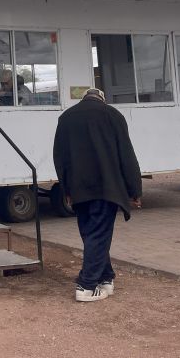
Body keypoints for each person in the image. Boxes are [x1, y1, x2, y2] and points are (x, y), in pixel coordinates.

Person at [53, 87, 142, 303]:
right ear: (102, 99)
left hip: (79, 189)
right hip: (106, 188)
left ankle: (105, 278)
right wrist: (135, 189)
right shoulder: (113, 115)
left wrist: (66, 188)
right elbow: (126, 155)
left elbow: (60, 157)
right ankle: (86, 285)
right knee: (98, 235)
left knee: (91, 234)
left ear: (84, 98)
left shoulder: (66, 117)